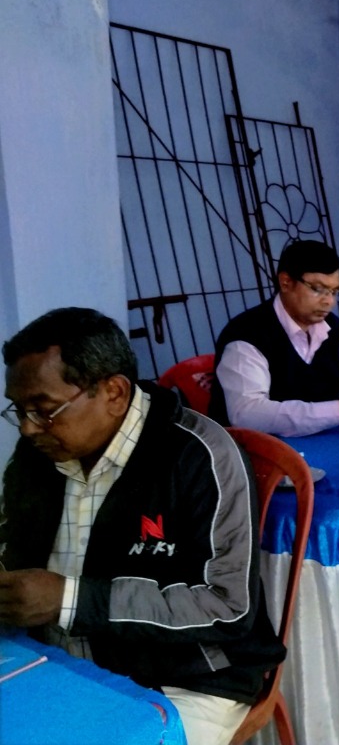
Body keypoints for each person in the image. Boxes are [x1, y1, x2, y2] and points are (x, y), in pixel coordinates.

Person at [0, 307, 285, 745]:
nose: (27, 427)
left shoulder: (198, 456)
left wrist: (69, 599)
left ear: (113, 392)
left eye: (44, 410)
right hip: (63, 657)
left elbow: (227, 606)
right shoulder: (37, 456)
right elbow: (13, 545)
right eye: (18, 411)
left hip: (186, 676)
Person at [209, 239, 339, 437]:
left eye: (334, 291)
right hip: (260, 453)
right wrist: (336, 411)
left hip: (323, 439)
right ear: (286, 282)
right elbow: (247, 414)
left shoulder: (333, 328)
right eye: (317, 289)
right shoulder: (246, 335)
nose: (328, 301)